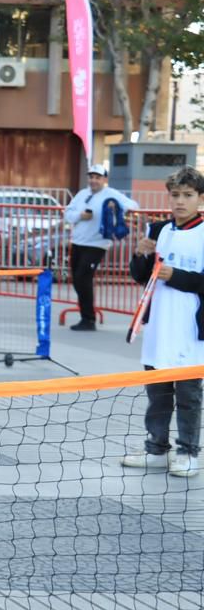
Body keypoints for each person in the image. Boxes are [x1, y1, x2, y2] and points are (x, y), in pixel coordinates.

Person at [121, 166, 204, 478]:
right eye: (175, 195)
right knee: (157, 391)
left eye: (188, 195)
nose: (180, 201)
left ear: (200, 199)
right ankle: (156, 449)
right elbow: (140, 277)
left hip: (190, 330)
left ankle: (187, 452)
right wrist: (141, 256)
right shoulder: (158, 230)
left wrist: (177, 276)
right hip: (159, 326)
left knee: (188, 393)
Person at [64, 164, 139, 331]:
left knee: (83, 277)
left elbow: (133, 205)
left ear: (104, 179)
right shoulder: (82, 194)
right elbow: (67, 213)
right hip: (78, 242)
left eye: (97, 177)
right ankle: (86, 314)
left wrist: (116, 207)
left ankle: (88, 319)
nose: (94, 180)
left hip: (97, 244)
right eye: (91, 177)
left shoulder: (110, 194)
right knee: (77, 279)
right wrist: (80, 216)